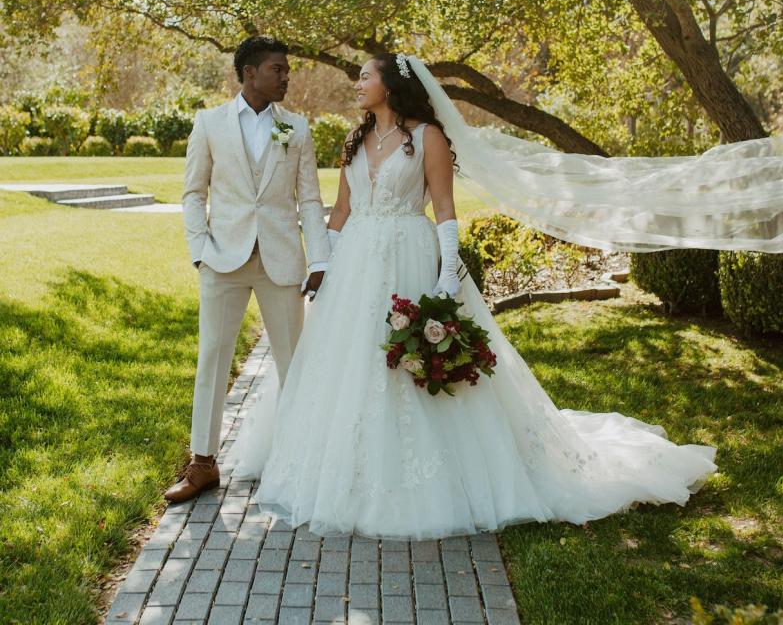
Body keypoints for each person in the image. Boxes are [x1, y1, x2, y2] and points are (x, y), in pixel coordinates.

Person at [226, 53, 718, 539]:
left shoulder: (427, 137)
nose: (357, 85)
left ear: (391, 85)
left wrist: (446, 276)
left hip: (408, 258)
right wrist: (324, 263)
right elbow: (340, 209)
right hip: (355, 263)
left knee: (406, 361)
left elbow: (444, 208)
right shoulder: (355, 140)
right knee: (350, 364)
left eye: (364, 77)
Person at [165, 36, 332, 504]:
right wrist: (199, 248)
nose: (286, 77)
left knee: (293, 364)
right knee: (212, 358)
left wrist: (319, 259)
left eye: (286, 69)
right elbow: (193, 192)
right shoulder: (209, 123)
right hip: (223, 260)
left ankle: (302, 461)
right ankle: (203, 464)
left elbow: (311, 200)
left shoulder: (296, 128)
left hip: (282, 263)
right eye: (278, 69)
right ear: (250, 73)